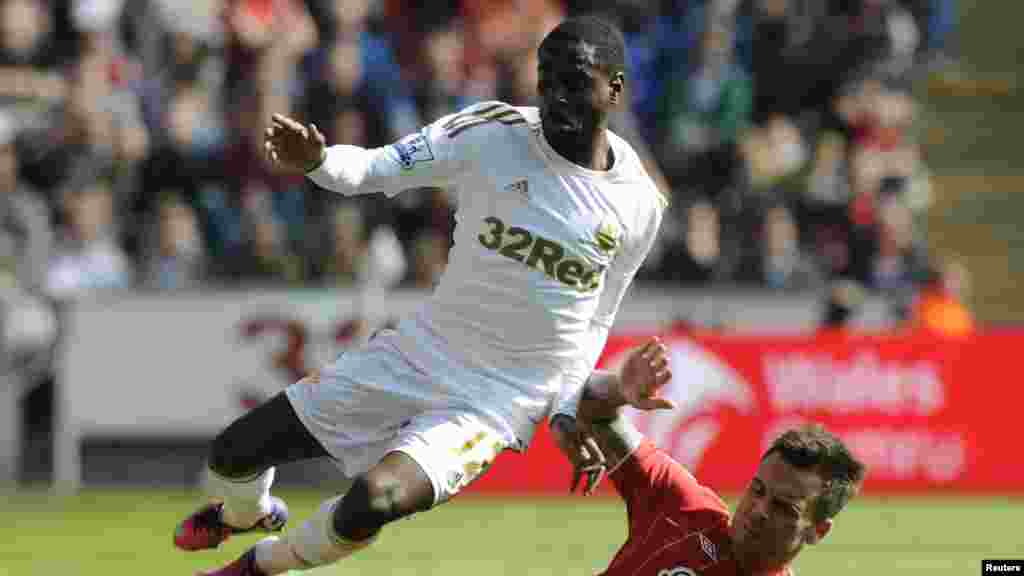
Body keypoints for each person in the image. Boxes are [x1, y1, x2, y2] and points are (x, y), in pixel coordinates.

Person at [173, 15, 667, 576]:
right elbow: (376, 168)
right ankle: (246, 515)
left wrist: (563, 405)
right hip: (421, 352)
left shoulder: (638, 205)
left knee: (375, 500)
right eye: (547, 77)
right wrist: (318, 160)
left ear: (616, 88)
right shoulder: (491, 133)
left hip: (498, 401)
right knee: (233, 453)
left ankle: (258, 566)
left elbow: (596, 319)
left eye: (576, 80)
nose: (557, 94)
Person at [562, 341, 867, 576]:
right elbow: (592, 408)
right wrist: (619, 390)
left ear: (817, 531)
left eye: (783, 507)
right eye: (758, 490)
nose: (759, 510)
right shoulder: (684, 506)